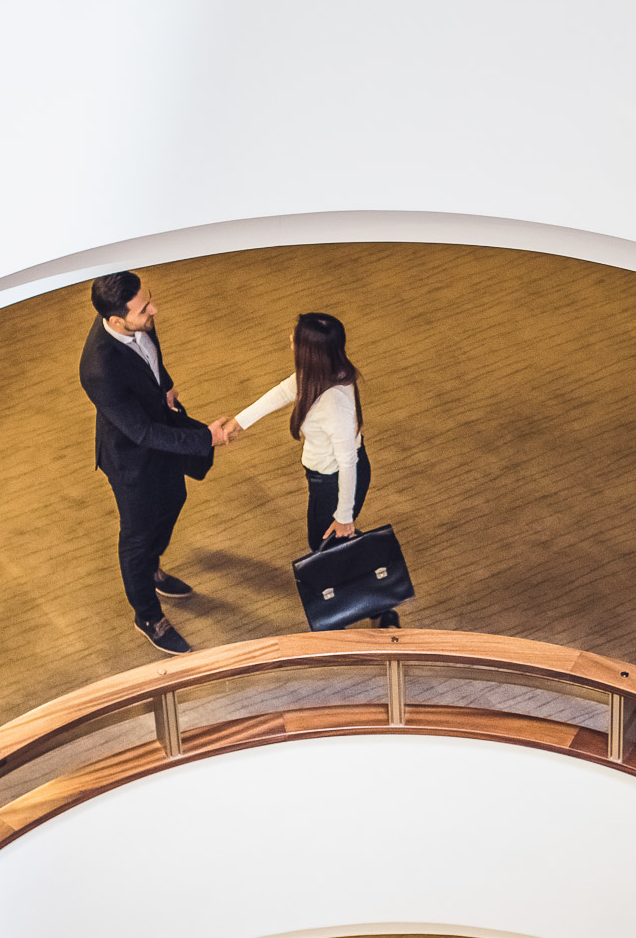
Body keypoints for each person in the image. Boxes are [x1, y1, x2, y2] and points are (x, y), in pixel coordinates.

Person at [78, 271, 234, 654]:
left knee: (173, 500)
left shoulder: (138, 323)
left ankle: (151, 568)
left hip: (160, 435)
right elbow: (142, 433)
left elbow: (151, 359)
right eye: (145, 308)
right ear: (117, 321)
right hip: (131, 459)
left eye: (150, 300)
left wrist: (165, 385)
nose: (154, 310)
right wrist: (206, 437)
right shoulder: (98, 367)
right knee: (138, 536)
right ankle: (146, 613)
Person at [223, 311, 400, 629]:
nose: (290, 339)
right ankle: (379, 606)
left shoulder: (334, 403)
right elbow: (284, 390)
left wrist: (345, 514)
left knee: (326, 541)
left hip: (333, 480)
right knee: (333, 542)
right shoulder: (321, 372)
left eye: (296, 337)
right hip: (327, 476)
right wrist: (239, 422)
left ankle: (361, 610)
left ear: (311, 351)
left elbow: (349, 463)